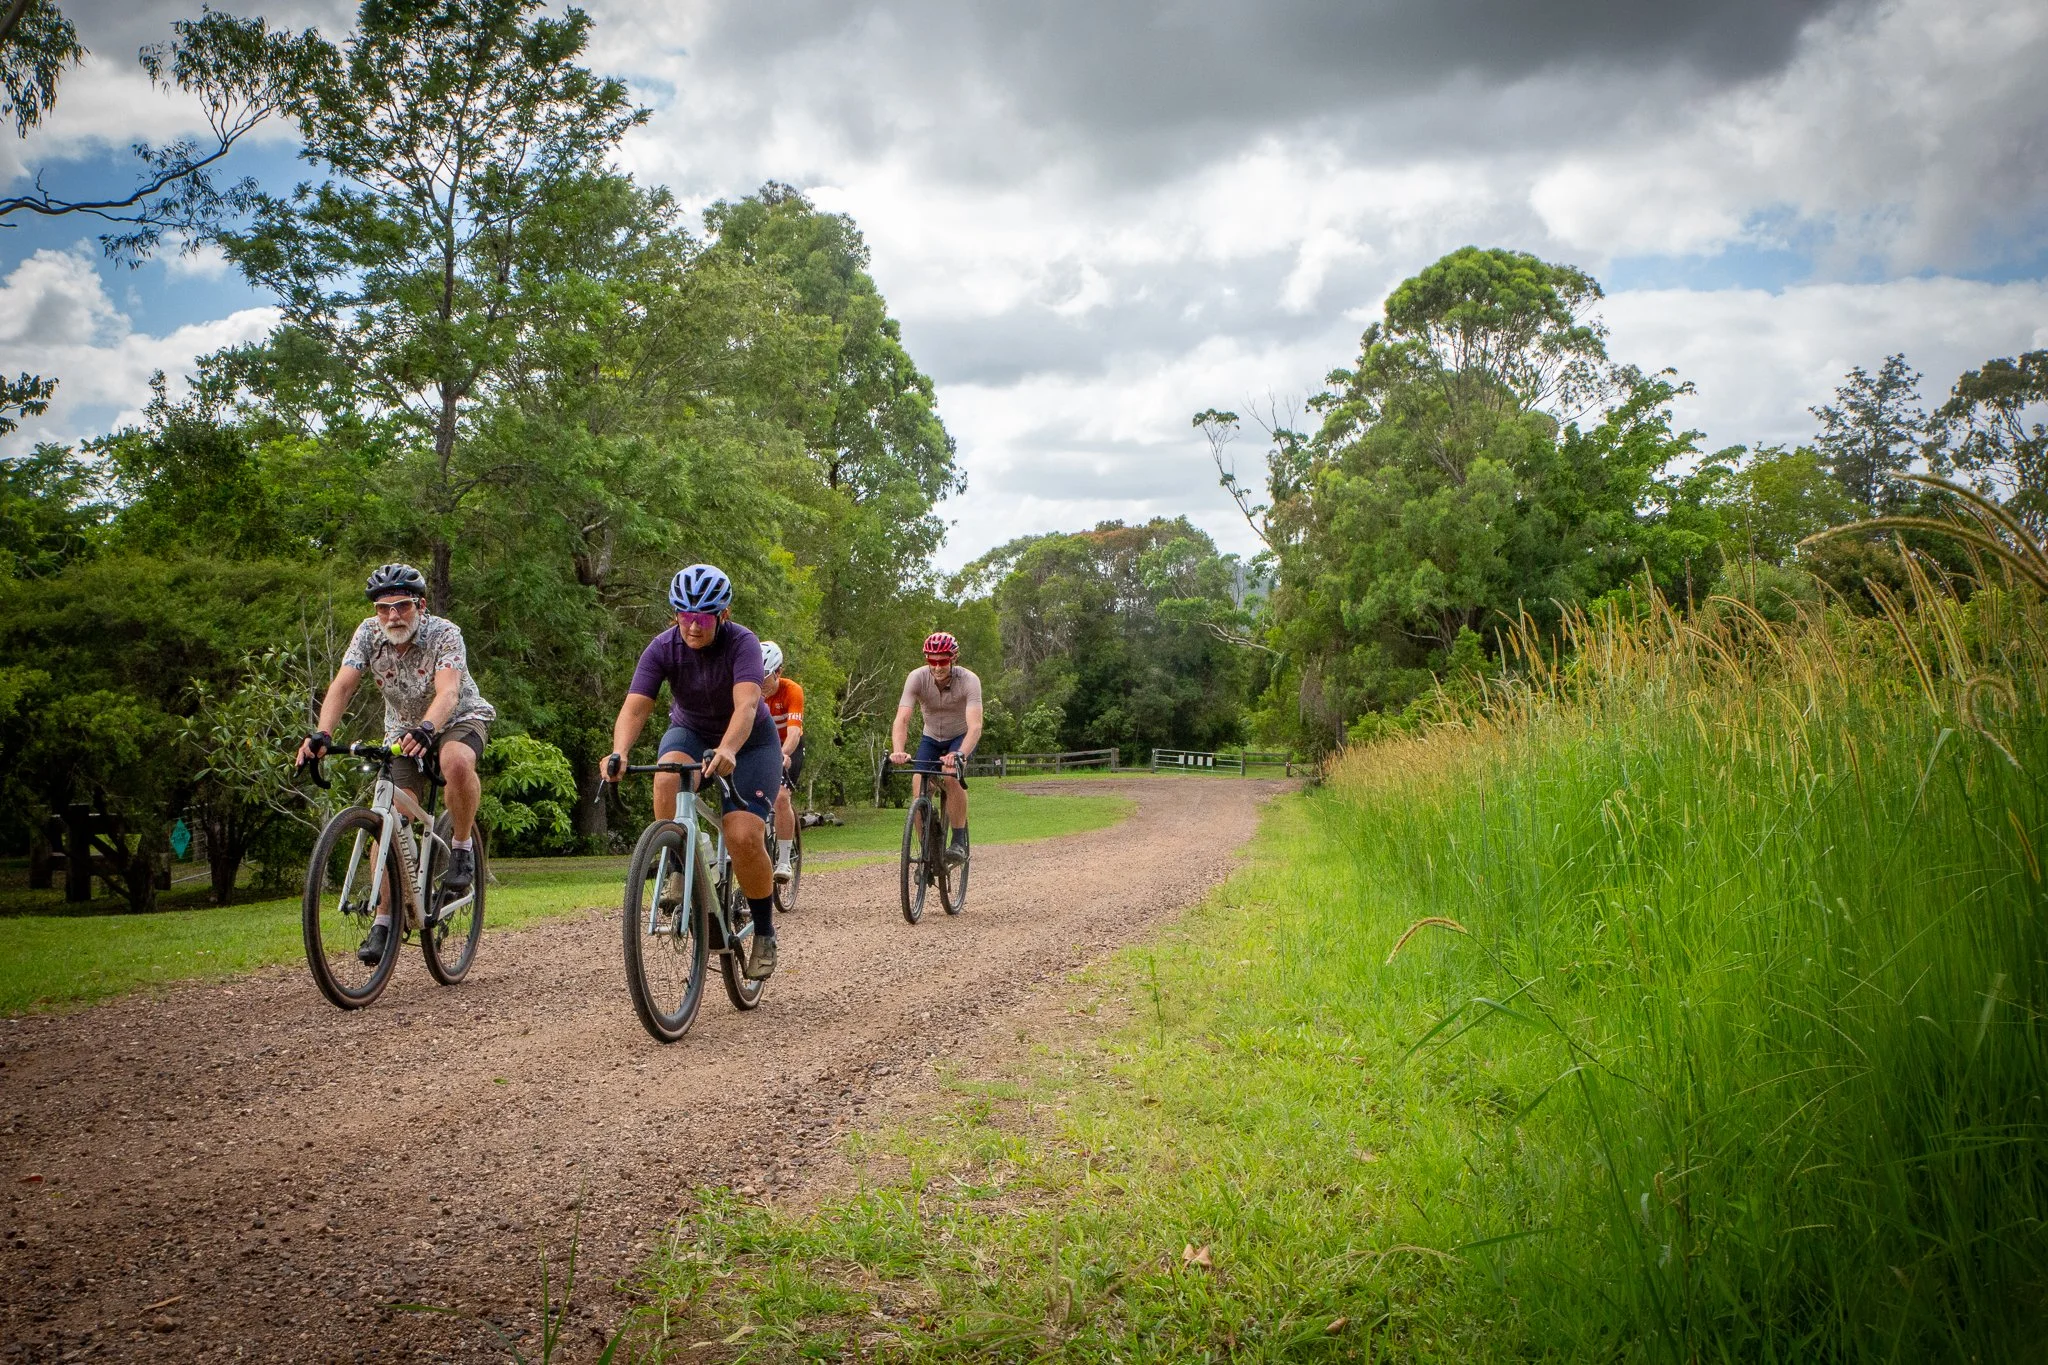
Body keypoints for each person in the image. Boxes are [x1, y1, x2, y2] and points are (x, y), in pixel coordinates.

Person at [295, 563, 496, 965]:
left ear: (420, 605)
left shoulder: (445, 633)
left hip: (457, 717)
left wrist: (428, 728)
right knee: (387, 813)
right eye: (384, 608)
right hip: (402, 732)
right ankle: (384, 919)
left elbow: (450, 690)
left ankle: (460, 848)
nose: (393, 616)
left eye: (402, 606)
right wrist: (322, 734)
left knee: (454, 759)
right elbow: (343, 684)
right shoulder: (368, 635)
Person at [602, 564, 781, 981]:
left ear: (723, 614)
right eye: (684, 617)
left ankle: (765, 933)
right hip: (691, 731)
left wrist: (730, 747)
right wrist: (619, 751)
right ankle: (682, 866)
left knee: (741, 835)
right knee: (666, 778)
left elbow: (747, 706)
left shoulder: (743, 644)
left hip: (749, 742)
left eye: (702, 618)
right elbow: (636, 706)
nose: (693, 627)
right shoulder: (662, 648)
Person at [888, 631, 983, 867]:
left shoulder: (969, 680)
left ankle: (959, 841)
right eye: (932, 661)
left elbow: (975, 726)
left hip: (959, 737)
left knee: (951, 778)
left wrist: (960, 753)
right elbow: (902, 719)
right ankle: (926, 852)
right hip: (931, 738)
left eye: (943, 661)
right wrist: (898, 750)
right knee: (919, 783)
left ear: (954, 658)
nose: (938, 667)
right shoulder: (917, 678)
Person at [759, 641, 804, 887]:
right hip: (761, 746)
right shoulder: (750, 689)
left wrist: (782, 754)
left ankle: (785, 860)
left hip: (789, 746)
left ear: (778, 672)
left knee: (780, 797)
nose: (760, 683)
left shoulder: (791, 690)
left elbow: (795, 733)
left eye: (764, 677)